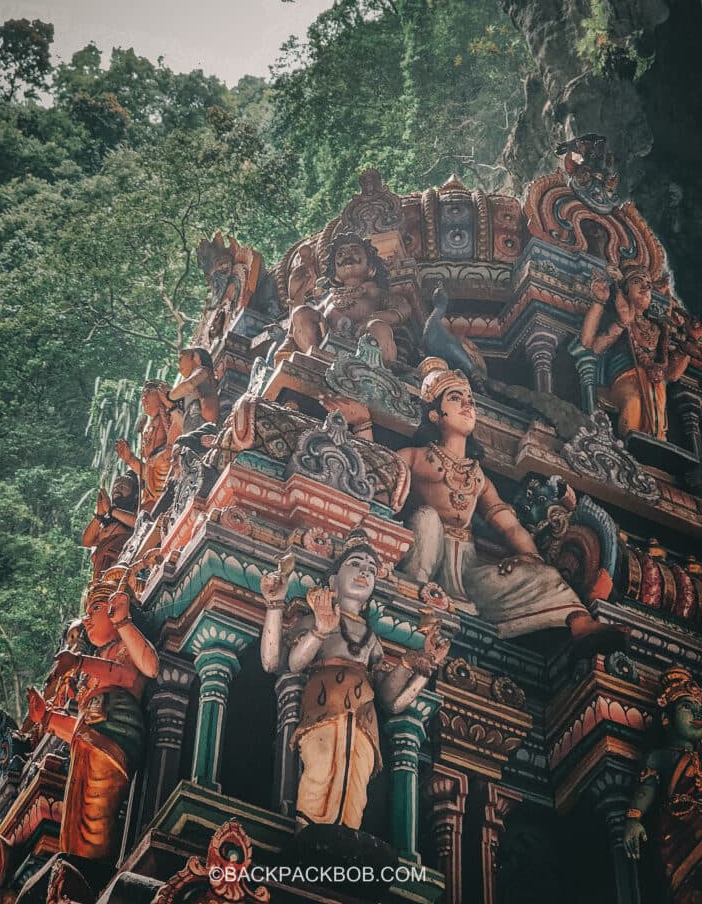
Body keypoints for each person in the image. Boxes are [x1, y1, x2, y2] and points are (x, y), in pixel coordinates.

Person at [396, 358, 626, 647]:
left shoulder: (478, 478)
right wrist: (363, 426)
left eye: (470, 399)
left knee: (542, 574)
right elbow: (381, 484)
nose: (468, 405)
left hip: (467, 573)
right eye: (456, 398)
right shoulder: (414, 457)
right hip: (424, 557)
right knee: (428, 517)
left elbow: (510, 527)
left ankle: (581, 623)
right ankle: (412, 595)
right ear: (434, 414)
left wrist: (531, 559)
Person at [260, 532, 448, 829]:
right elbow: (289, 663)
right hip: (323, 710)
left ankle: (343, 838)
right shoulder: (314, 621)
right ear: (333, 581)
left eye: (371, 570)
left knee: (355, 783)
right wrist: (320, 630)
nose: (364, 572)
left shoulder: (372, 640)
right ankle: (308, 832)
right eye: (356, 564)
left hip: (362, 719)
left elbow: (391, 701)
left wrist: (416, 668)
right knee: (321, 770)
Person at [27, 580, 158, 860]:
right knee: (72, 821)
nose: (86, 618)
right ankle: (72, 869)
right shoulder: (94, 663)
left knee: (95, 814)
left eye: (95, 608)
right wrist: (47, 718)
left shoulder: (124, 645)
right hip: (87, 739)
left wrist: (121, 624)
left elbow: (141, 670)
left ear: (115, 607)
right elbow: (79, 725)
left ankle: (87, 871)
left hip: (113, 736)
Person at [580, 265, 699, 440]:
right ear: (625, 290)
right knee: (634, 400)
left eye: (648, 285)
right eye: (637, 282)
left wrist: (688, 345)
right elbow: (592, 345)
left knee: (656, 400)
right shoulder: (617, 318)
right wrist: (611, 313)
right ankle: (631, 442)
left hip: (654, 386)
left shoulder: (658, 328)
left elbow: (672, 375)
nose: (645, 288)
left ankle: (655, 445)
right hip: (623, 382)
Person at [624, 666, 702, 903]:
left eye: (700, 709)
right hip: (681, 824)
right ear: (666, 718)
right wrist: (633, 818)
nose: (697, 714)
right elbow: (647, 788)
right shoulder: (661, 756)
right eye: (686, 706)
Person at [289, 232, 410, 366]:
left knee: (379, 328)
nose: (347, 256)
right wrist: (298, 294)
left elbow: (402, 310)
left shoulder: (377, 293)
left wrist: (370, 320)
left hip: (365, 342)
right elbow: (301, 321)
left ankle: (385, 372)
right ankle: (313, 360)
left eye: (354, 251)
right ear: (335, 273)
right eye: (340, 255)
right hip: (330, 344)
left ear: (370, 267)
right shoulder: (329, 297)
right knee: (301, 312)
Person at [115, 380, 183, 512]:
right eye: (142, 396)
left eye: (148, 393)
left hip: (169, 476)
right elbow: (147, 472)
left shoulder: (172, 416)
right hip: (153, 488)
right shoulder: (148, 426)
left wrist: (158, 459)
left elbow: (172, 449)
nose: (144, 398)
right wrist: (130, 459)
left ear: (161, 394)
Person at [81, 474, 138, 578]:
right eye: (115, 487)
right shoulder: (107, 522)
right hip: (101, 576)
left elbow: (138, 523)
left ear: (134, 494)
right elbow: (87, 542)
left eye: (122, 487)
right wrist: (99, 515)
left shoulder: (136, 512)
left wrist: (111, 510)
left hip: (120, 570)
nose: (117, 488)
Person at [167, 347, 220, 434]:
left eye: (181, 359)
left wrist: (169, 395)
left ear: (196, 358)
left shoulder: (202, 370)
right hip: (195, 428)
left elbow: (189, 384)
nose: (178, 366)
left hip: (205, 425)